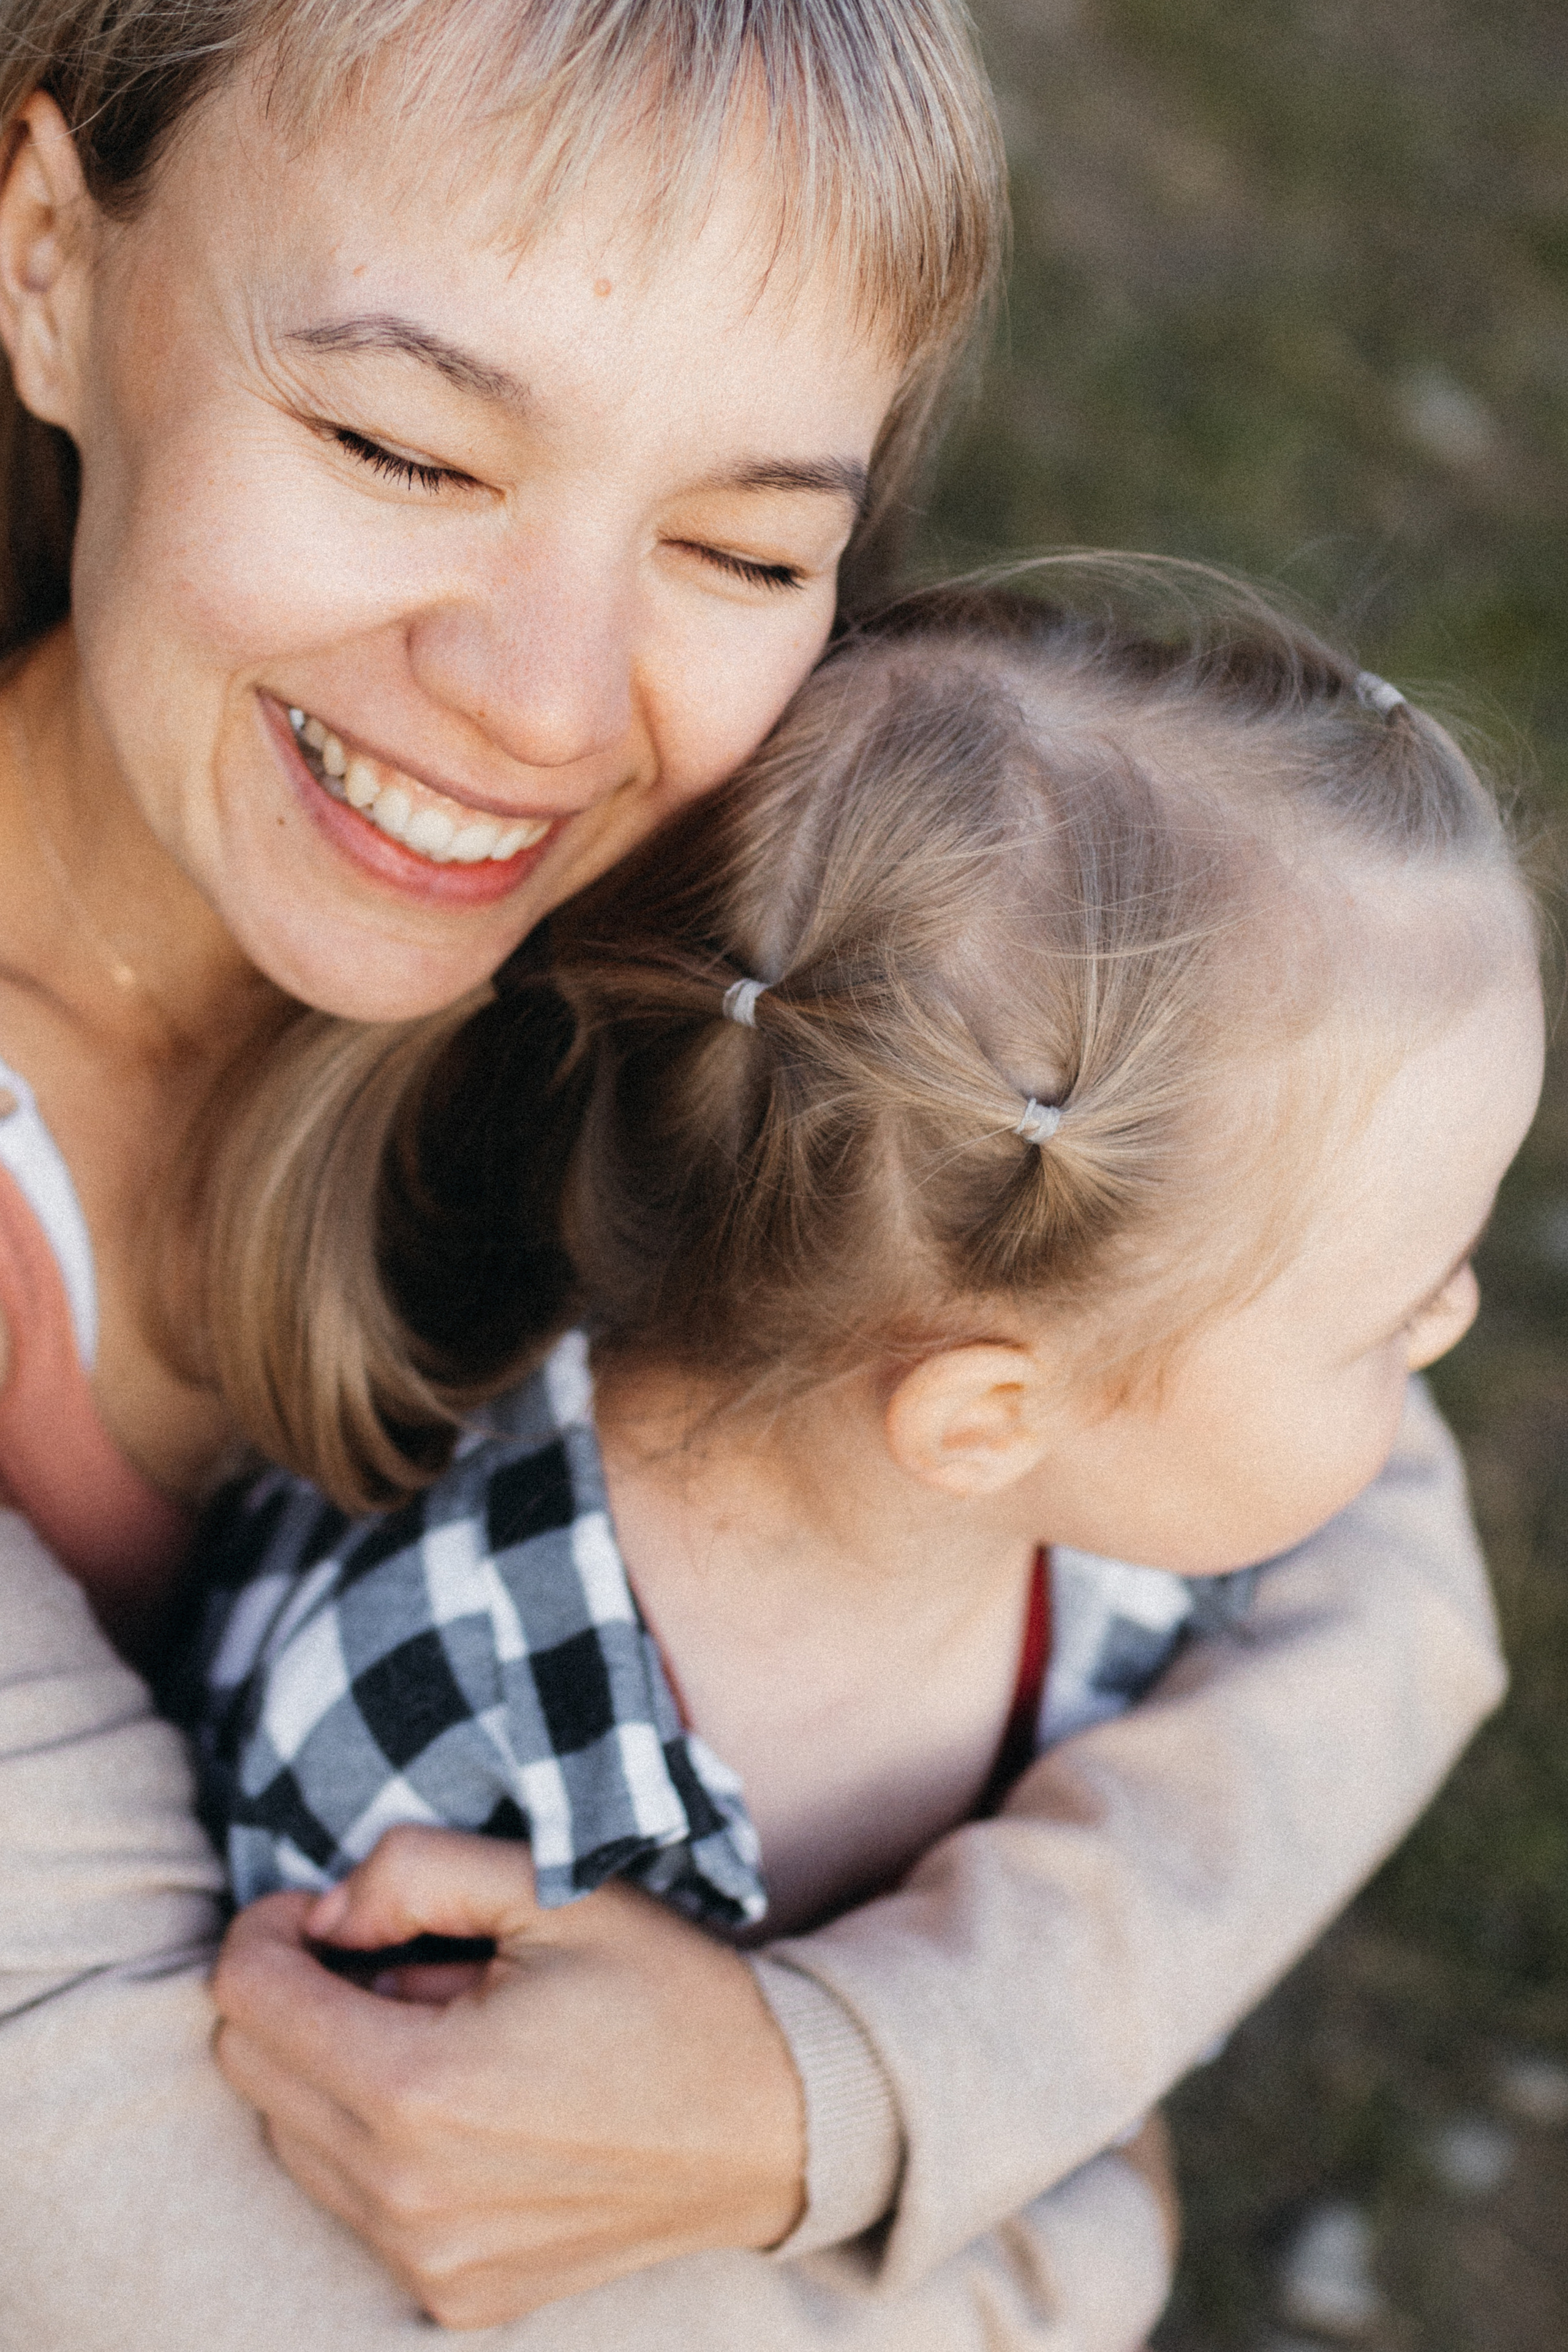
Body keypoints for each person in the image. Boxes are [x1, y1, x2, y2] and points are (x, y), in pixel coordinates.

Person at [0, 4, 1506, 2345]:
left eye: (737, 541)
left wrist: (836, 2086)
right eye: (402, 445)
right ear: (45, 257)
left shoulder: (760, 925)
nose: (543, 703)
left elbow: (1381, 1550)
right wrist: (1048, 2211)